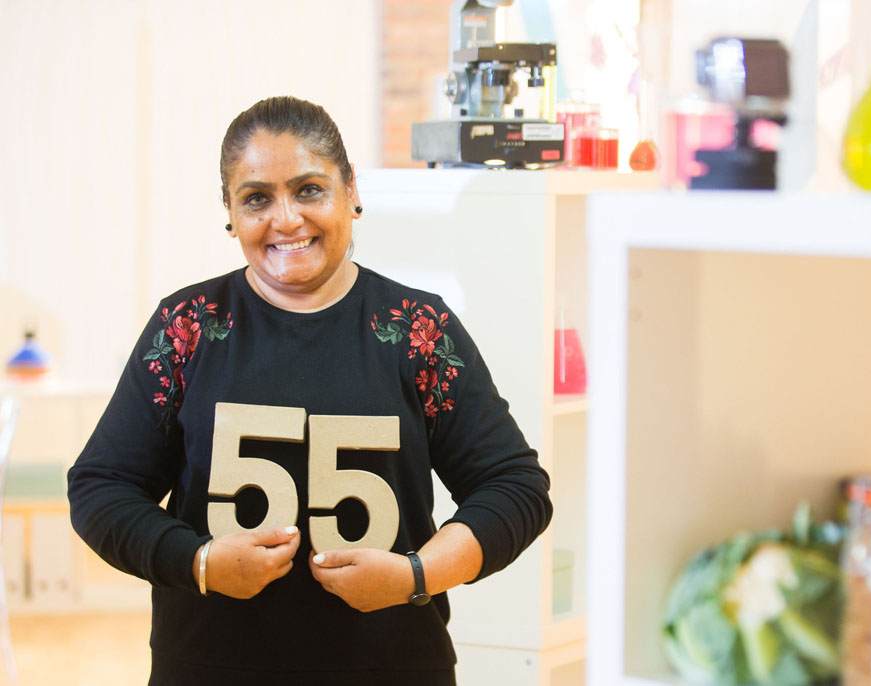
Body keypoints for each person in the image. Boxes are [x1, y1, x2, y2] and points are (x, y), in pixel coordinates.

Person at [67, 96, 552, 685]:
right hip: (209, 666)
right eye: (256, 199)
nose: (286, 219)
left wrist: (416, 575)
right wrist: (198, 563)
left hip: (393, 666)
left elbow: (516, 487)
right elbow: (101, 488)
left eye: (309, 189)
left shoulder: (418, 330)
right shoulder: (188, 327)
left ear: (351, 189)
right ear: (229, 212)